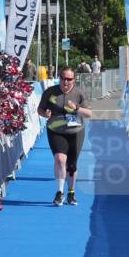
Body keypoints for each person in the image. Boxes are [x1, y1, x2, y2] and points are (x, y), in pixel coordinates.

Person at [39, 66, 92, 206]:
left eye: (69, 79)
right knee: (60, 159)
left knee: (72, 165)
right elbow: (40, 109)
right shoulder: (50, 92)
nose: (66, 82)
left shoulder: (79, 93)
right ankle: (59, 192)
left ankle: (71, 192)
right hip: (55, 129)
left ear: (74, 80)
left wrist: (76, 108)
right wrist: (45, 114)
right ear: (59, 78)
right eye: (63, 78)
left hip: (76, 132)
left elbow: (89, 114)